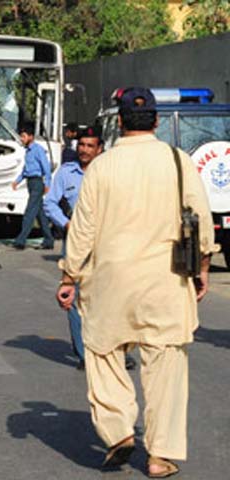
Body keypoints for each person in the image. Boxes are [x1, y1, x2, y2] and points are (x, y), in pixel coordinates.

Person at [56, 87, 216, 477]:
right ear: (157, 121)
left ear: (120, 122)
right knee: (166, 367)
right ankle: (160, 455)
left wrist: (69, 274)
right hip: (167, 280)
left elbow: (83, 229)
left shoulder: (102, 167)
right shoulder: (178, 162)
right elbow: (202, 222)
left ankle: (117, 431)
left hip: (110, 282)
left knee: (104, 354)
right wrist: (203, 270)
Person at [43, 125, 137, 372]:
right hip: (76, 241)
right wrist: (66, 224)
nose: (84, 150)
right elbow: (50, 203)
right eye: (81, 145)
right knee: (74, 297)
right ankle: (85, 354)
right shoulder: (66, 172)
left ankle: (117, 348)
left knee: (113, 294)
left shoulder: (111, 172)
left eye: (89, 146)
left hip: (107, 241)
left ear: (100, 148)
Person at [12, 123, 54, 250]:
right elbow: (26, 169)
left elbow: (46, 168)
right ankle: (48, 239)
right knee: (39, 213)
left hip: (37, 183)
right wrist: (17, 181)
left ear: (31, 136)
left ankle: (21, 240)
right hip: (30, 182)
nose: (21, 139)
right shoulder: (28, 152)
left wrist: (47, 183)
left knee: (29, 212)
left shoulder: (38, 150)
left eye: (24, 136)